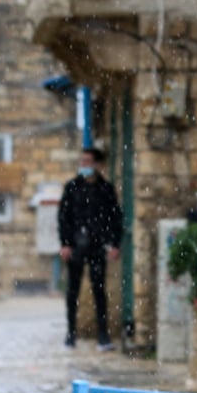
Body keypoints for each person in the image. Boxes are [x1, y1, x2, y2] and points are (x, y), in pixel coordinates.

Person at [59, 147, 123, 350]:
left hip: (97, 245)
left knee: (99, 289)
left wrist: (114, 243)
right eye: (82, 161)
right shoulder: (72, 188)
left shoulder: (106, 189)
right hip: (76, 245)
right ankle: (71, 333)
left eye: (88, 161)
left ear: (97, 164)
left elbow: (115, 219)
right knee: (72, 291)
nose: (84, 165)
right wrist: (65, 244)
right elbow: (64, 218)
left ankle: (103, 335)